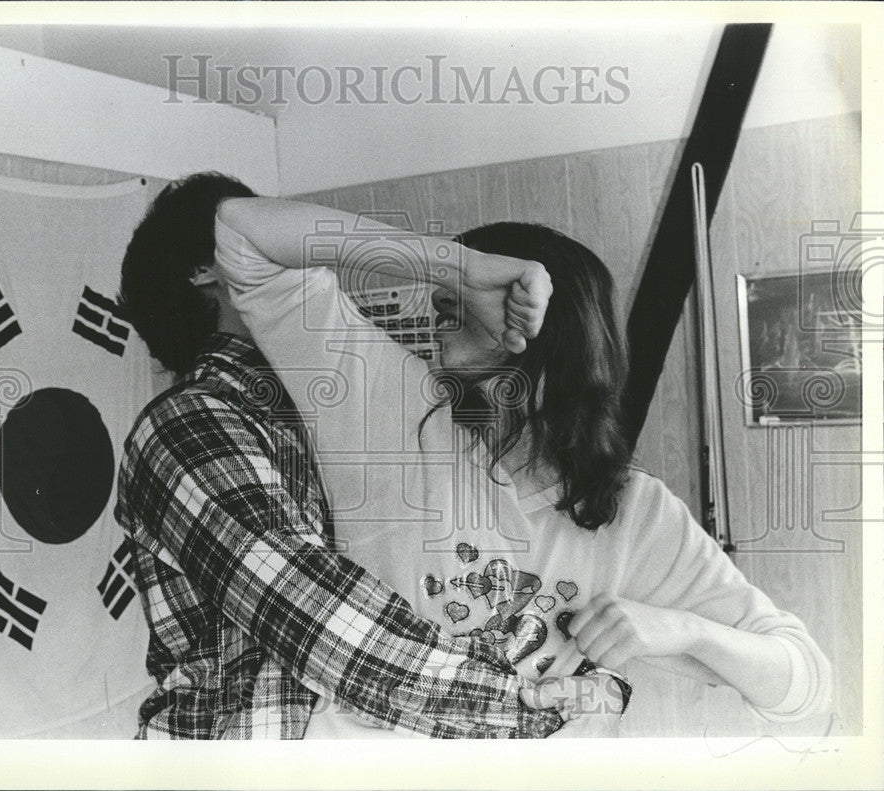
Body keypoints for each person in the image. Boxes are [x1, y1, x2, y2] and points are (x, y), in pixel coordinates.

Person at [208, 192, 832, 737]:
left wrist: (682, 631)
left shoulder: (635, 514)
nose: (438, 315)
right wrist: (461, 266)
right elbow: (240, 231)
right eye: (448, 301)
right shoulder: (385, 414)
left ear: (550, 326)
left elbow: (804, 686)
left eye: (480, 299)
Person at [114, 173, 582, 739]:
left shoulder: (326, 409)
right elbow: (327, 628)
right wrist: (544, 706)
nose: (314, 255)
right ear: (207, 269)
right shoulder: (186, 425)